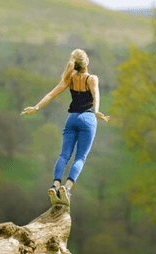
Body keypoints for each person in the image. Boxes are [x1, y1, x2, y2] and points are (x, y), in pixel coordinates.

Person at [20, 49, 110, 206]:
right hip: (87, 118)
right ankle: (67, 188)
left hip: (72, 119)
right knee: (80, 157)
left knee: (64, 155)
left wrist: (36, 107)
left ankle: (55, 185)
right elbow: (96, 94)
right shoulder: (92, 78)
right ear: (86, 61)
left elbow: (51, 95)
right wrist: (96, 111)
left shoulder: (70, 79)